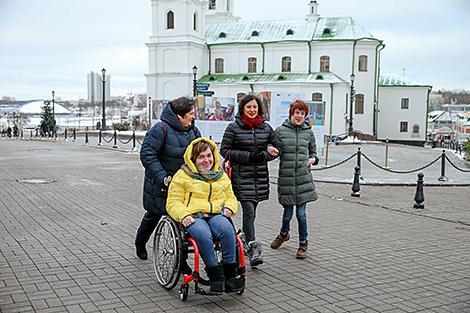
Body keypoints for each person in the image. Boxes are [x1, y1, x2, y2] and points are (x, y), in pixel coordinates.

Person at [166, 137, 244, 295]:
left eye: (209, 155)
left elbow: (231, 196)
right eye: (201, 157)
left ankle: (230, 274)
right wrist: (183, 214)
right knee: (203, 234)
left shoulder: (220, 175)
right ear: (193, 158)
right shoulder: (182, 175)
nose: (206, 160)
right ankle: (216, 276)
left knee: (228, 231)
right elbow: (173, 202)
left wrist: (229, 208)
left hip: (216, 214)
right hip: (193, 215)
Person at [135, 96, 201, 260]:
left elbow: (200, 151)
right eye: (191, 114)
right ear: (180, 115)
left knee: (180, 218)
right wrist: (163, 177)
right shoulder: (160, 129)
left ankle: (179, 260)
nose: (194, 117)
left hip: (184, 185)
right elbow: (147, 155)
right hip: (162, 184)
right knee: (153, 215)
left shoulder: (193, 130)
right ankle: (140, 242)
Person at [220, 94, 282, 267]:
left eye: (255, 107)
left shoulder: (266, 128)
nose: (252, 110)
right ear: (242, 109)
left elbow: (279, 148)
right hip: (241, 176)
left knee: (252, 212)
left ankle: (243, 238)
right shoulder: (233, 127)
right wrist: (249, 157)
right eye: (249, 107)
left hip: (260, 177)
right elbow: (224, 150)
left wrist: (264, 154)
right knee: (248, 211)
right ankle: (253, 248)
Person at [270, 99, 318, 259]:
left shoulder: (309, 133)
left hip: (303, 179)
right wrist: (269, 148)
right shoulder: (280, 131)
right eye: (297, 113)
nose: (299, 116)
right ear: (292, 113)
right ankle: (284, 234)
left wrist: (313, 159)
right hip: (287, 178)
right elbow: (271, 146)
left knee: (301, 214)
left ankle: (303, 244)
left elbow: (314, 153)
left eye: (303, 114)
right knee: (288, 212)